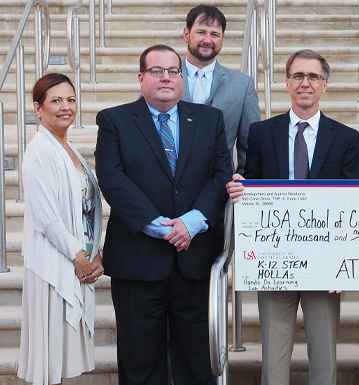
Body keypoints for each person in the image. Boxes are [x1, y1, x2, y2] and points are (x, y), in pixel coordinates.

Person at [95, 44, 232, 384]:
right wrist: (161, 228)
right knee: (140, 363)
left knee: (197, 363)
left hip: (195, 261)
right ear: (142, 78)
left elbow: (221, 175)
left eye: (173, 71)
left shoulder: (209, 119)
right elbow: (112, 179)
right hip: (137, 262)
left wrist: (192, 222)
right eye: (157, 71)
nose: (166, 78)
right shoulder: (114, 120)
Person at [226, 49, 359, 385]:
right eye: (298, 76)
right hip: (274, 260)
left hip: (324, 262)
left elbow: (350, 204)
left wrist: (344, 263)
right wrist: (241, 189)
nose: (305, 83)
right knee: (273, 356)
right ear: (287, 83)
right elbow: (251, 186)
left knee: (325, 355)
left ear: (324, 85)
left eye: (313, 76)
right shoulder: (260, 133)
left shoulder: (346, 138)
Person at [17, 73, 104, 385]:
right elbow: (47, 217)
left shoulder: (71, 150)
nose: (65, 107)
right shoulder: (39, 149)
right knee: (49, 361)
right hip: (54, 264)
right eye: (56, 101)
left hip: (77, 259)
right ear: (38, 108)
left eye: (70, 99)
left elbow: (88, 208)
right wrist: (79, 258)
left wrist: (97, 254)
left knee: (61, 360)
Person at [181, 4, 261, 171]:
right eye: (201, 32)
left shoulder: (243, 85)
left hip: (221, 190)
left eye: (214, 34)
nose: (207, 40)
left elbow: (251, 147)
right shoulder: (163, 78)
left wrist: (242, 184)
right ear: (186, 34)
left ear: (222, 39)